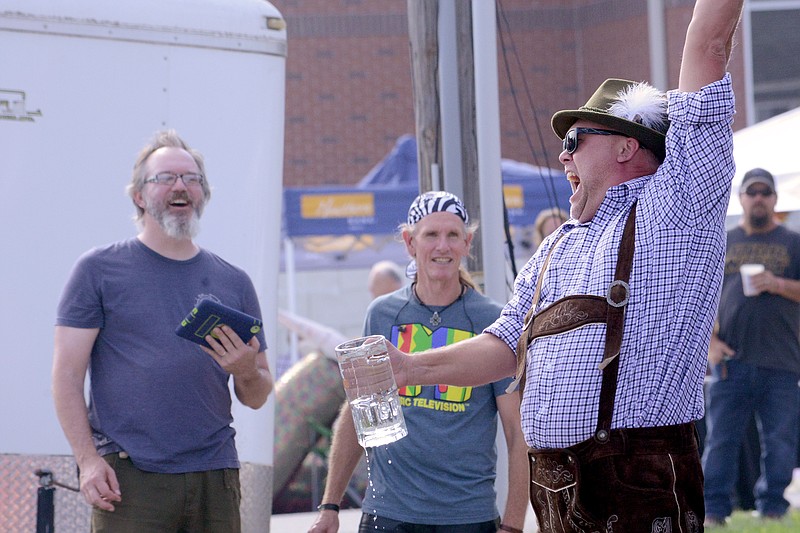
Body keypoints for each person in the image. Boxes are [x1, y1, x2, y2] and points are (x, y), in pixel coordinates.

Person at [383, 1, 743, 530]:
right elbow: (506, 345)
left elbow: (707, 43)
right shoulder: (558, 247)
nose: (563, 157)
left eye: (575, 141)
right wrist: (409, 368)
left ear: (626, 146)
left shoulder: (678, 205)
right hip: (555, 491)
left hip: (636, 484)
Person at [51, 130, 273, 532]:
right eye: (166, 178)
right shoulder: (98, 270)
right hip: (130, 479)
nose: (181, 186)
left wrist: (246, 371)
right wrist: (87, 461)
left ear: (203, 195)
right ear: (139, 196)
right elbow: (66, 376)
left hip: (215, 474)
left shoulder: (234, 282)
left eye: (192, 179)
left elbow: (256, 395)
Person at [309, 191, 529, 533]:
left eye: (453, 235)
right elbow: (358, 413)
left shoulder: (494, 320)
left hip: (467, 516)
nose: (443, 246)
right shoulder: (382, 313)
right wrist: (329, 506)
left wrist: (513, 524)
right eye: (431, 235)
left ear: (467, 243)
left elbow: (517, 432)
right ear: (411, 243)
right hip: (389, 512)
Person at [702, 167, 800, 525]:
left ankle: (773, 506)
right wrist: (710, 342)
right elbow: (703, 298)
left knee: (780, 441)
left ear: (774, 199)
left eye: (765, 192)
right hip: (731, 360)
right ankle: (713, 510)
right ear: (741, 198)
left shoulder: (793, 242)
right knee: (722, 440)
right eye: (752, 192)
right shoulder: (723, 241)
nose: (758, 198)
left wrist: (776, 283)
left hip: (782, 360)